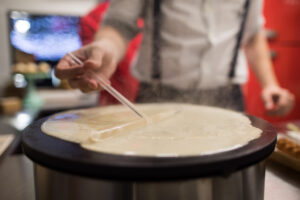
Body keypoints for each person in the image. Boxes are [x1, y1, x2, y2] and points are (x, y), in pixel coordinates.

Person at [55, 0, 294, 115]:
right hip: (158, 98)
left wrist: (270, 85)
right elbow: (119, 23)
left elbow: (252, 35)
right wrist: (105, 48)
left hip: (228, 99)